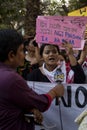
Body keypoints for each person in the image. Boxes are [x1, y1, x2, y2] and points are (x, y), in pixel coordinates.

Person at [0, 29, 64, 130]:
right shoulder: (11, 79)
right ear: (11, 55)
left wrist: (29, 108)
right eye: (21, 50)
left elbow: (13, 103)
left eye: (54, 52)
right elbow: (41, 103)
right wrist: (54, 92)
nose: (24, 55)